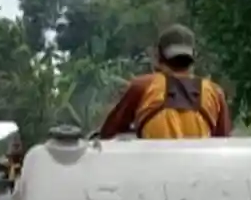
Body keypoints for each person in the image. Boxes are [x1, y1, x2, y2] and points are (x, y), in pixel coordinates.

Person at [95, 25, 232, 140]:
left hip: (154, 171)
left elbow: (108, 134)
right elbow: (223, 144)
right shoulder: (214, 92)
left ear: (158, 56)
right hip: (198, 171)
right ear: (193, 57)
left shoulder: (143, 86)